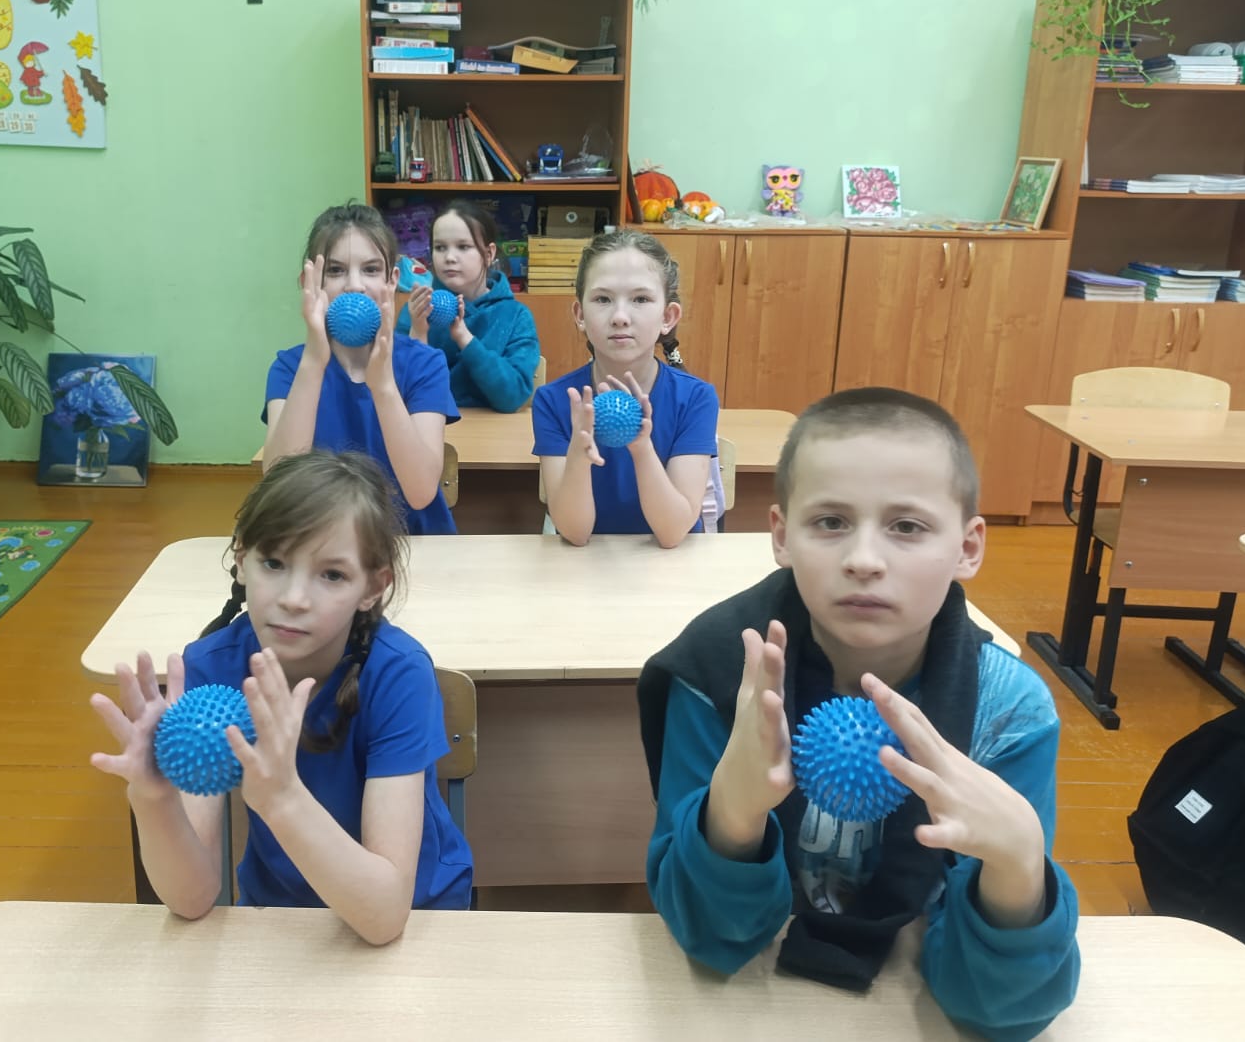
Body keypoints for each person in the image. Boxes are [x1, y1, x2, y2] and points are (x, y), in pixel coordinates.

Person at [637, 388, 1080, 1041]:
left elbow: (999, 1013)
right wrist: (732, 812)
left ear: (968, 547)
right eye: (830, 522)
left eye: (907, 527)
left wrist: (1018, 865)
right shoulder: (722, 677)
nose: (864, 560)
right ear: (781, 536)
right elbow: (710, 938)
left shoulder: (1006, 713)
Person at [89, 450, 473, 943]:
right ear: (241, 560)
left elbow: (384, 918)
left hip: (417, 916)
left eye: (332, 575)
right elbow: (190, 899)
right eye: (273, 562)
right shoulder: (211, 669)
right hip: (280, 917)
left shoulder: (398, 673)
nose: (294, 598)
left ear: (373, 587)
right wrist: (153, 799)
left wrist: (284, 800)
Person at [265, 202, 457, 535]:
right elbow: (279, 484)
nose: (354, 285)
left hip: (414, 542)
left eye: (370, 270)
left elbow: (421, 491)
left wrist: (383, 386)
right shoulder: (290, 367)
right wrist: (313, 361)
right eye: (335, 271)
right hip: (322, 542)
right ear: (310, 282)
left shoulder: (425, 364)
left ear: (392, 280)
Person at [531, 229, 719, 546]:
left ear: (668, 316)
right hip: (587, 563)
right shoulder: (554, 401)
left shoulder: (696, 398)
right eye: (603, 299)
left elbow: (672, 532)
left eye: (640, 299)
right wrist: (578, 454)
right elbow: (574, 533)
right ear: (580, 314)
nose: (620, 317)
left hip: (671, 566)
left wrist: (641, 447)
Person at [397, 200, 541, 413]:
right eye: (440, 248)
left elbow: (513, 397)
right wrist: (418, 335)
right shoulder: (417, 310)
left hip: (491, 430)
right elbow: (398, 391)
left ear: (489, 254)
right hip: (427, 424)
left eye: (463, 247)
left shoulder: (516, 316)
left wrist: (465, 339)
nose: (449, 258)